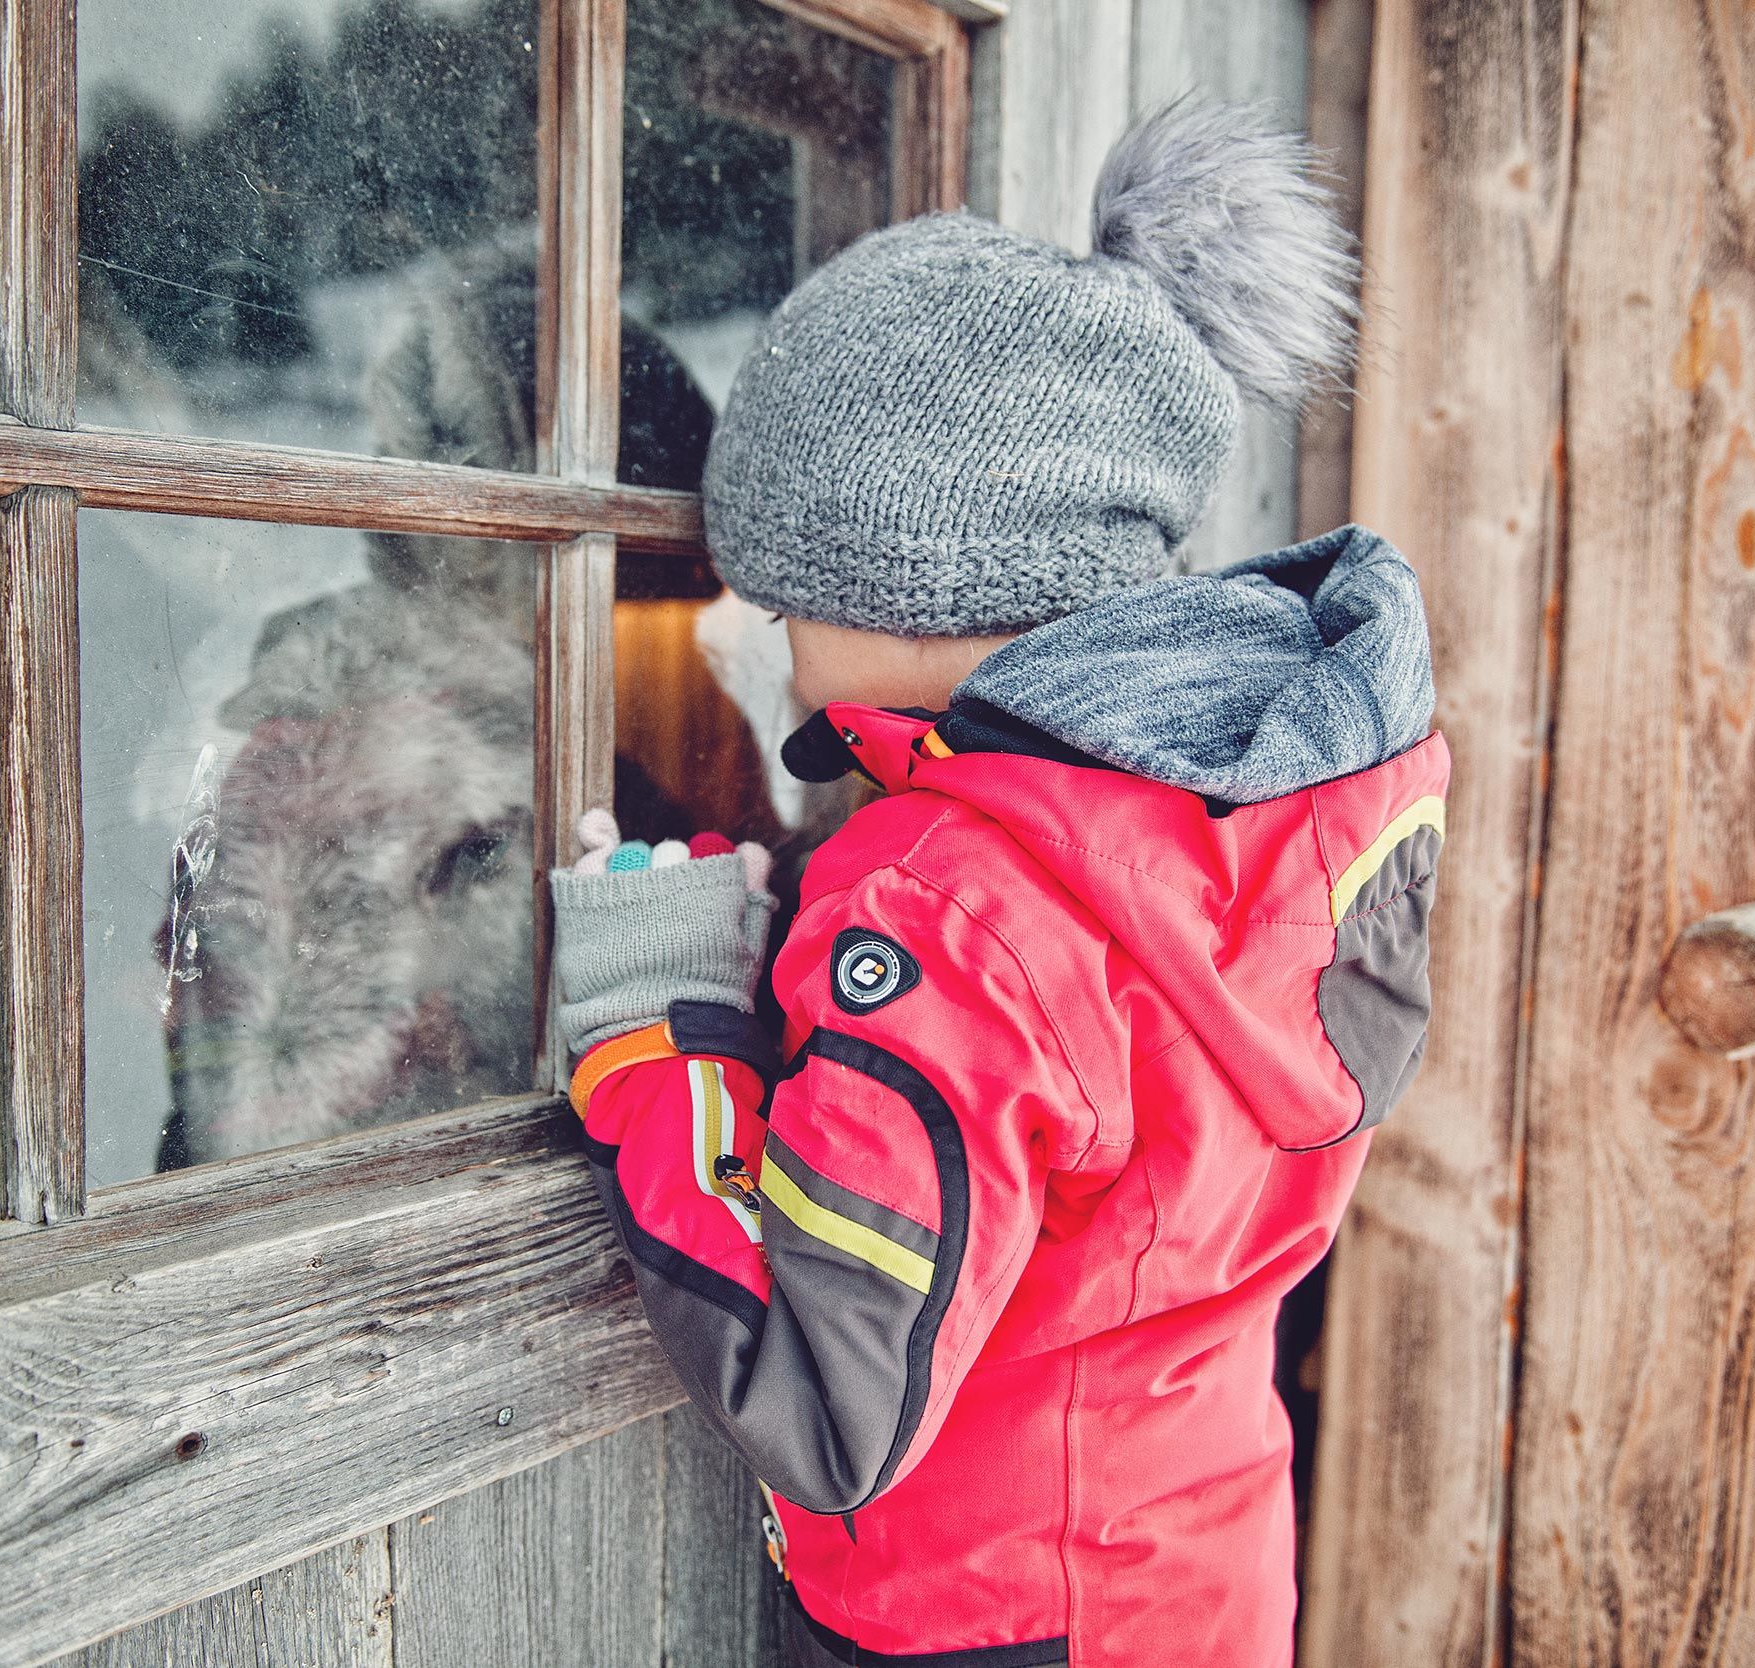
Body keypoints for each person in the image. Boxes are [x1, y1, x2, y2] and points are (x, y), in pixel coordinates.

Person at [546, 99, 1447, 1668]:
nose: (766, 633)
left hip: (986, 1622)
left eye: (789, 589)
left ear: (924, 568)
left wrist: (661, 1034)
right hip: (1195, 1579)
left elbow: (826, 1402)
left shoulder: (950, 904)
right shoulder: (1240, 812)